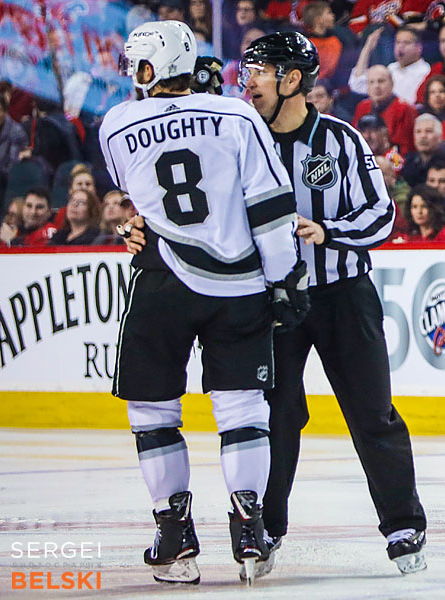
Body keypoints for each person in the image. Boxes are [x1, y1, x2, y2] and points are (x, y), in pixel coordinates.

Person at [101, 20, 308, 585]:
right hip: (239, 285)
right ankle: (249, 531)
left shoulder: (116, 124)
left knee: (152, 412)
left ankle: (175, 539)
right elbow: (268, 205)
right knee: (243, 411)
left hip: (161, 283)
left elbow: (134, 200)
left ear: (149, 68)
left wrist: (134, 226)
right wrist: (285, 279)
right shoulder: (238, 116)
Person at [240, 31, 427, 574]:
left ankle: (403, 524)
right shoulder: (242, 143)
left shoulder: (341, 141)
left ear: (293, 79)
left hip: (344, 295)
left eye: (260, 71)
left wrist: (325, 229)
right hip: (273, 300)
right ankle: (266, 529)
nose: (247, 81)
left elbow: (381, 217)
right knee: (275, 417)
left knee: (372, 414)